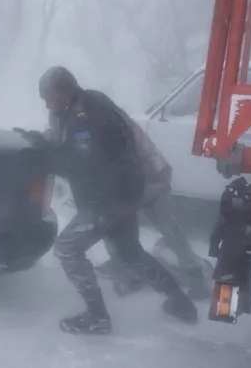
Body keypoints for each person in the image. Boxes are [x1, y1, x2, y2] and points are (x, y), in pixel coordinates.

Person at [31, 66, 198, 335]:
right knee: (130, 251)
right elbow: (80, 150)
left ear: (63, 93)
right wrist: (44, 141)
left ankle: (97, 317)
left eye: (49, 99)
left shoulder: (84, 118)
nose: (48, 107)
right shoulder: (92, 100)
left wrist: (45, 157)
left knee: (67, 249)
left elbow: (80, 163)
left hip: (106, 199)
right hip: (124, 193)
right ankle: (180, 301)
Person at [88, 101, 212, 300]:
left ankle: (125, 268)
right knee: (165, 222)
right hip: (156, 170)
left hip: (142, 177)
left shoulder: (98, 123)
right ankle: (192, 269)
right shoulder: (109, 114)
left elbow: (112, 158)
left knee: (112, 218)